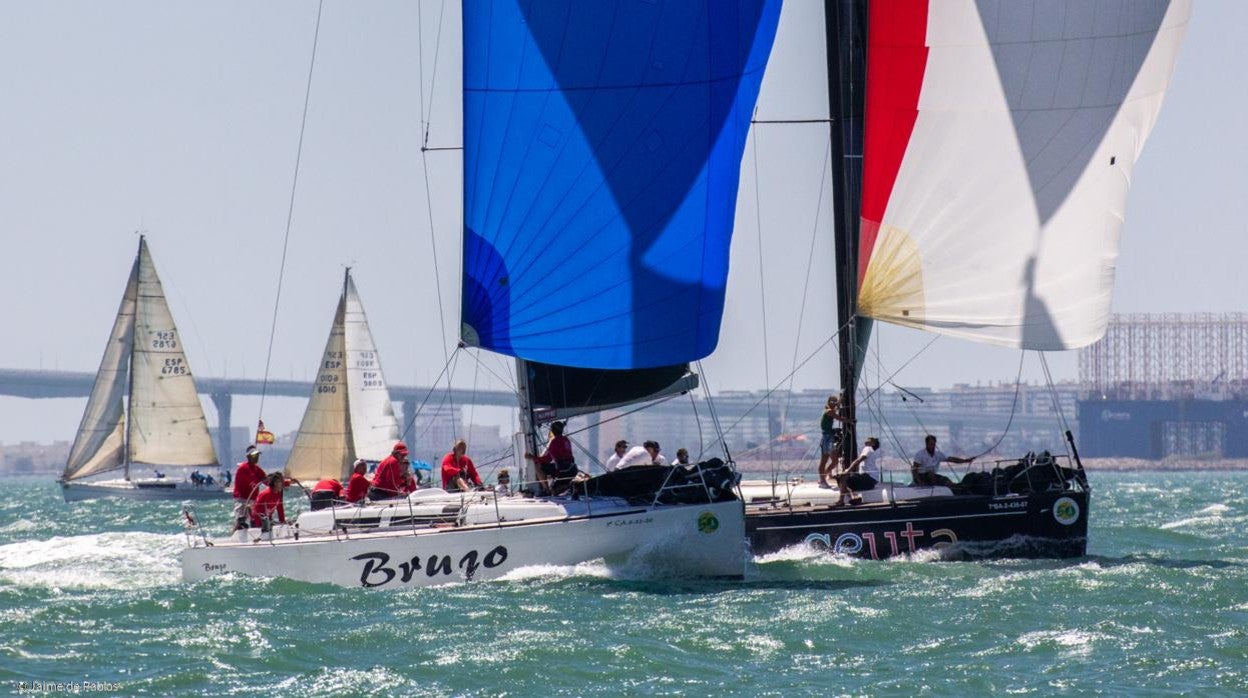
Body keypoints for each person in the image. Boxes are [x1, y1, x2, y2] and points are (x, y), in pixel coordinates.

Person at [526, 421, 577, 495]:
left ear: (552, 431)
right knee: (554, 491)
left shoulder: (555, 442)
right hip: (572, 469)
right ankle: (570, 486)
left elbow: (547, 459)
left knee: (538, 466)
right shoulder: (566, 440)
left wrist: (531, 457)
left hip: (563, 470)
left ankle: (546, 490)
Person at [833, 436, 882, 506]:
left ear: (873, 444)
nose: (867, 440)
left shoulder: (868, 448)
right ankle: (854, 497)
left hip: (868, 478)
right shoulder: (871, 451)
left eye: (870, 440)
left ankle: (841, 501)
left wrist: (847, 471)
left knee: (843, 477)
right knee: (843, 481)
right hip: (872, 481)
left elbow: (858, 460)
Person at [231, 446, 266, 532]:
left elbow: (266, 480)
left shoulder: (257, 469)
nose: (257, 457)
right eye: (254, 455)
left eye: (258, 455)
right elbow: (252, 482)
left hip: (253, 499)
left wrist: (281, 482)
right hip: (242, 499)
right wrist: (261, 479)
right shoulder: (243, 468)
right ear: (248, 457)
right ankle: (234, 535)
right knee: (240, 520)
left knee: (256, 520)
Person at [817, 395, 847, 488]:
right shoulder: (829, 411)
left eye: (835, 402)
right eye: (832, 402)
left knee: (834, 461)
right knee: (824, 461)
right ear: (828, 402)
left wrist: (840, 402)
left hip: (829, 437)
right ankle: (822, 480)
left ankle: (823, 477)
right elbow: (839, 418)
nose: (834, 404)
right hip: (827, 438)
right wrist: (850, 421)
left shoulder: (830, 410)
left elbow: (835, 409)